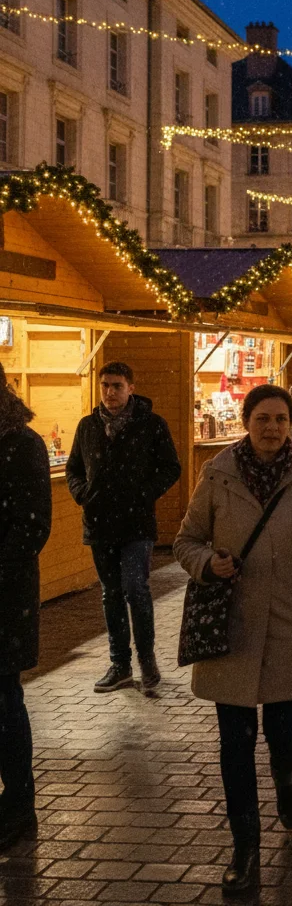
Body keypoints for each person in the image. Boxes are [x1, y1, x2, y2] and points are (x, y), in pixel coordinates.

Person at [174, 384, 292, 896]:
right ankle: (244, 846)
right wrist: (207, 563)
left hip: (291, 620)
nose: (271, 427)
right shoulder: (218, 473)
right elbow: (186, 539)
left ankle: (287, 780)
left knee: (284, 732)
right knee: (234, 742)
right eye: (262, 418)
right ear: (247, 421)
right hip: (233, 624)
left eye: (280, 419)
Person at [66, 362, 181, 693]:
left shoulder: (150, 425)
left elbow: (170, 467)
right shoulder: (88, 426)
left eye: (116, 385)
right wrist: (81, 493)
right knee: (111, 593)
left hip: (136, 524)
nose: (109, 392)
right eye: (104, 385)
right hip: (99, 523)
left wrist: (143, 493)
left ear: (131, 387)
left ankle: (146, 660)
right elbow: (74, 467)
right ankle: (120, 664)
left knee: (135, 588)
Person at [0, 365, 52, 852]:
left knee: (3, 701)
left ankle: (18, 803)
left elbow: (31, 526)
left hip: (3, 597)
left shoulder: (21, 443)